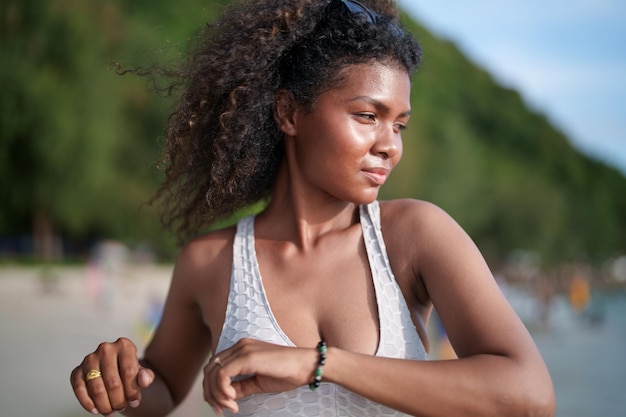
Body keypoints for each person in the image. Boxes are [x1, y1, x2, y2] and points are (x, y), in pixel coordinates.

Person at [70, 0, 555, 416]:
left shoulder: (414, 235)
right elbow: (164, 392)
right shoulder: (209, 262)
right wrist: (118, 382)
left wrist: (318, 363)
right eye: (368, 116)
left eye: (399, 125)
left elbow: (529, 396)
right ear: (288, 113)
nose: (390, 146)